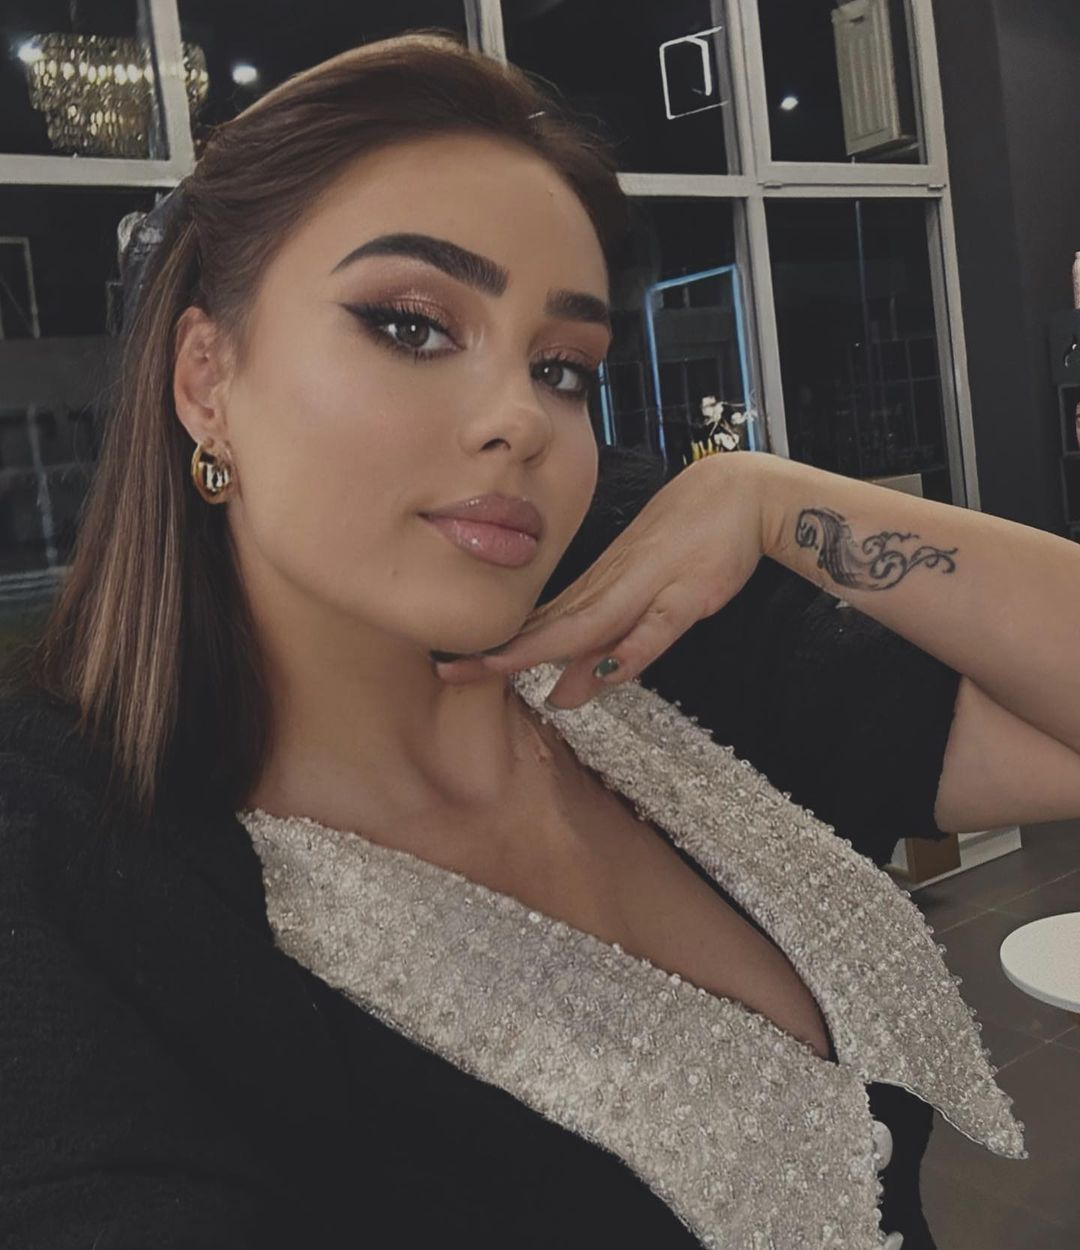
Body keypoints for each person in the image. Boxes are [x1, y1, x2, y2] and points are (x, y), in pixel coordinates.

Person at [2, 29, 1078, 1250]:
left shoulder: (639, 620)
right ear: (207, 377)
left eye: (564, 366)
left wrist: (770, 499)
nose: (519, 417)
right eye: (412, 325)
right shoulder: (71, 871)